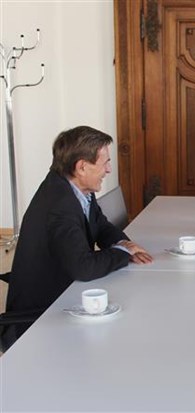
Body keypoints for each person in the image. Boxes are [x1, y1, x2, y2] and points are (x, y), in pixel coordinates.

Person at [5, 126, 152, 341]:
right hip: (44, 318)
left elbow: (100, 225)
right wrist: (122, 251)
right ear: (82, 167)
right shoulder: (59, 205)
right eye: (105, 163)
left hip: (67, 295)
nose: (109, 170)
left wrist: (123, 243)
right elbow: (84, 268)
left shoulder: (74, 186)